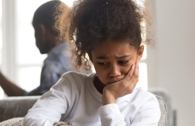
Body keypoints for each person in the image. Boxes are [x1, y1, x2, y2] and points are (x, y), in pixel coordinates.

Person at [23, 0, 161, 125]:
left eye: (123, 61)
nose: (114, 72)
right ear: (90, 56)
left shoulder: (146, 104)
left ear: (139, 54)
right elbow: (33, 121)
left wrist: (110, 99)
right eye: (102, 63)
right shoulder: (72, 87)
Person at [0, 0, 75, 96]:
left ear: (41, 30)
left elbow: (40, 107)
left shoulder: (53, 64)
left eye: (35, 31)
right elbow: (27, 98)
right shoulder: (78, 58)